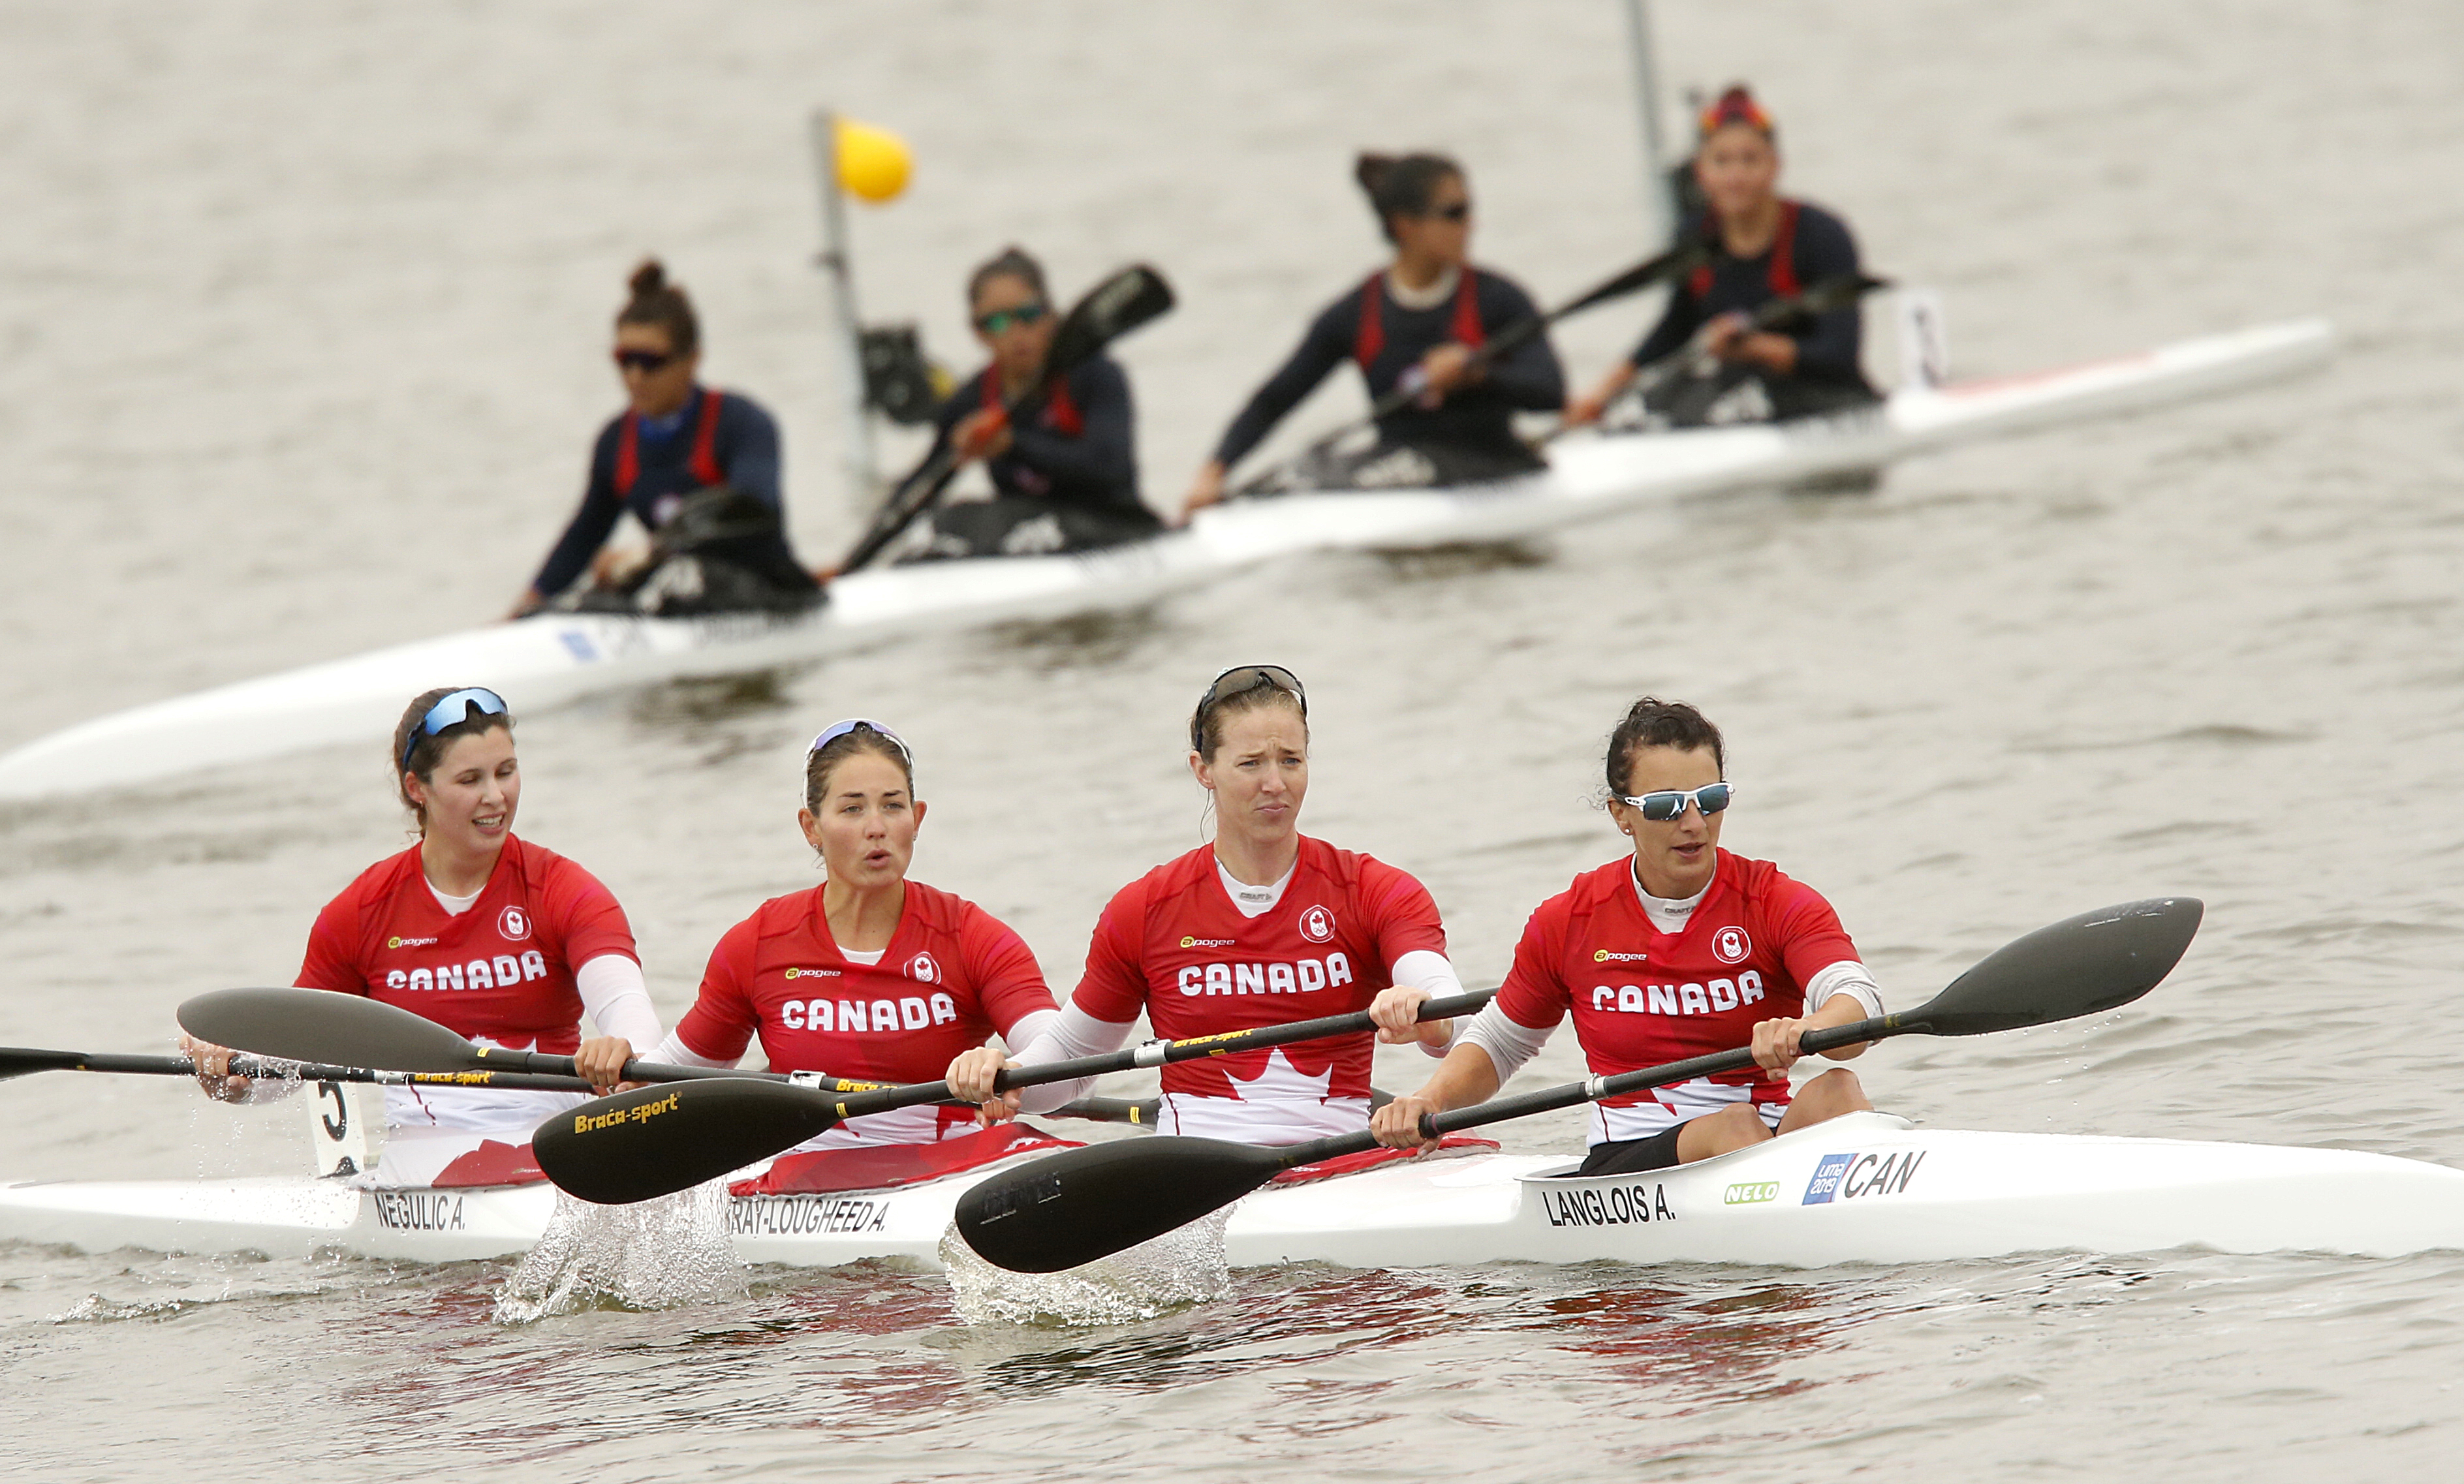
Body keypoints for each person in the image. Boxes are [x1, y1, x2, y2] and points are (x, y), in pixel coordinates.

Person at [948, 666, 1466, 1145]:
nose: (1275, 784)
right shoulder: (1145, 908)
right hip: (1193, 1169)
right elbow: (1072, 1061)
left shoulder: (1376, 890)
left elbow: (1455, 1013)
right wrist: (1003, 1075)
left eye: (1291, 760)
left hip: (1344, 1155)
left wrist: (1428, 1019)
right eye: (1250, 764)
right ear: (1203, 770)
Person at [1371, 697, 1882, 1174]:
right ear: (1621, 814)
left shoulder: (1775, 901)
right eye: (1665, 806)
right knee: (1734, 1125)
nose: (1693, 822)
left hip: (1759, 1139)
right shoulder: (1569, 920)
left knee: (1837, 1089)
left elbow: (1857, 1000)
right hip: (1631, 1160)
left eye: (1709, 799)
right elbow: (1500, 1043)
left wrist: (1809, 1027)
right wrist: (1430, 1101)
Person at [183, 687, 663, 1186]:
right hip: (423, 1161)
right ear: (418, 788)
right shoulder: (361, 913)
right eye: (470, 780)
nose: (496, 796)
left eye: (505, 772)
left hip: (555, 1145)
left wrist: (623, 1051)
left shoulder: (565, 891)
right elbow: (295, 1056)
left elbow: (630, 1010)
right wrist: (233, 1075)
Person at [645, 720, 1065, 1151]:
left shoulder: (972, 937)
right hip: (806, 1185)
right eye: (852, 809)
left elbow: (1064, 1056)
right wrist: (614, 1067)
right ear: (811, 828)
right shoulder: (758, 943)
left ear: (917, 818)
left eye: (892, 806)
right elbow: (665, 1079)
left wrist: (1006, 1068)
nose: (876, 827)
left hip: (950, 1172)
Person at [1183, 153, 1566, 511]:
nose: (1470, 225)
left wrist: (1477, 374)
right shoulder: (1356, 314)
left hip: (1490, 462)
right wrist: (1213, 474)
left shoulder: (1497, 299)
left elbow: (1551, 391)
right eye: (1455, 213)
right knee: (1303, 474)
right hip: (1400, 468)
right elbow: (1273, 401)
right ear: (1406, 225)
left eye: (1469, 211)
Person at [508, 260, 820, 618]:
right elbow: (582, 539)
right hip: (682, 595)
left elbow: (748, 514)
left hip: (767, 591)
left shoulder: (743, 424)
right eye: (625, 361)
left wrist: (647, 557)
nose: (636, 377)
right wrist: (523, 611)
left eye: (651, 361)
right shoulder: (615, 443)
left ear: (692, 360)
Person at [1565, 86, 1879, 430]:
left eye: (1750, 160)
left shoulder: (1820, 235)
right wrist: (1599, 397)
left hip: (1825, 395)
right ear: (1701, 173)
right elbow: (1675, 328)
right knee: (1638, 412)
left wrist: (1754, 347)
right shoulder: (1695, 238)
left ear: (1775, 166)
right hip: (1740, 391)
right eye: (1722, 161)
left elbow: (1840, 353)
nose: (1736, 176)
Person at [903, 247, 1159, 561]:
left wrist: (1012, 445)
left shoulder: (1096, 375)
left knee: (998, 524)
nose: (1016, 334)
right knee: (952, 520)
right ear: (978, 333)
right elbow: (917, 489)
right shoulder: (971, 401)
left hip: (1111, 524)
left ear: (1051, 317)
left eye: (1027, 316)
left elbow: (1112, 469)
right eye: (997, 323)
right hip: (1023, 530)